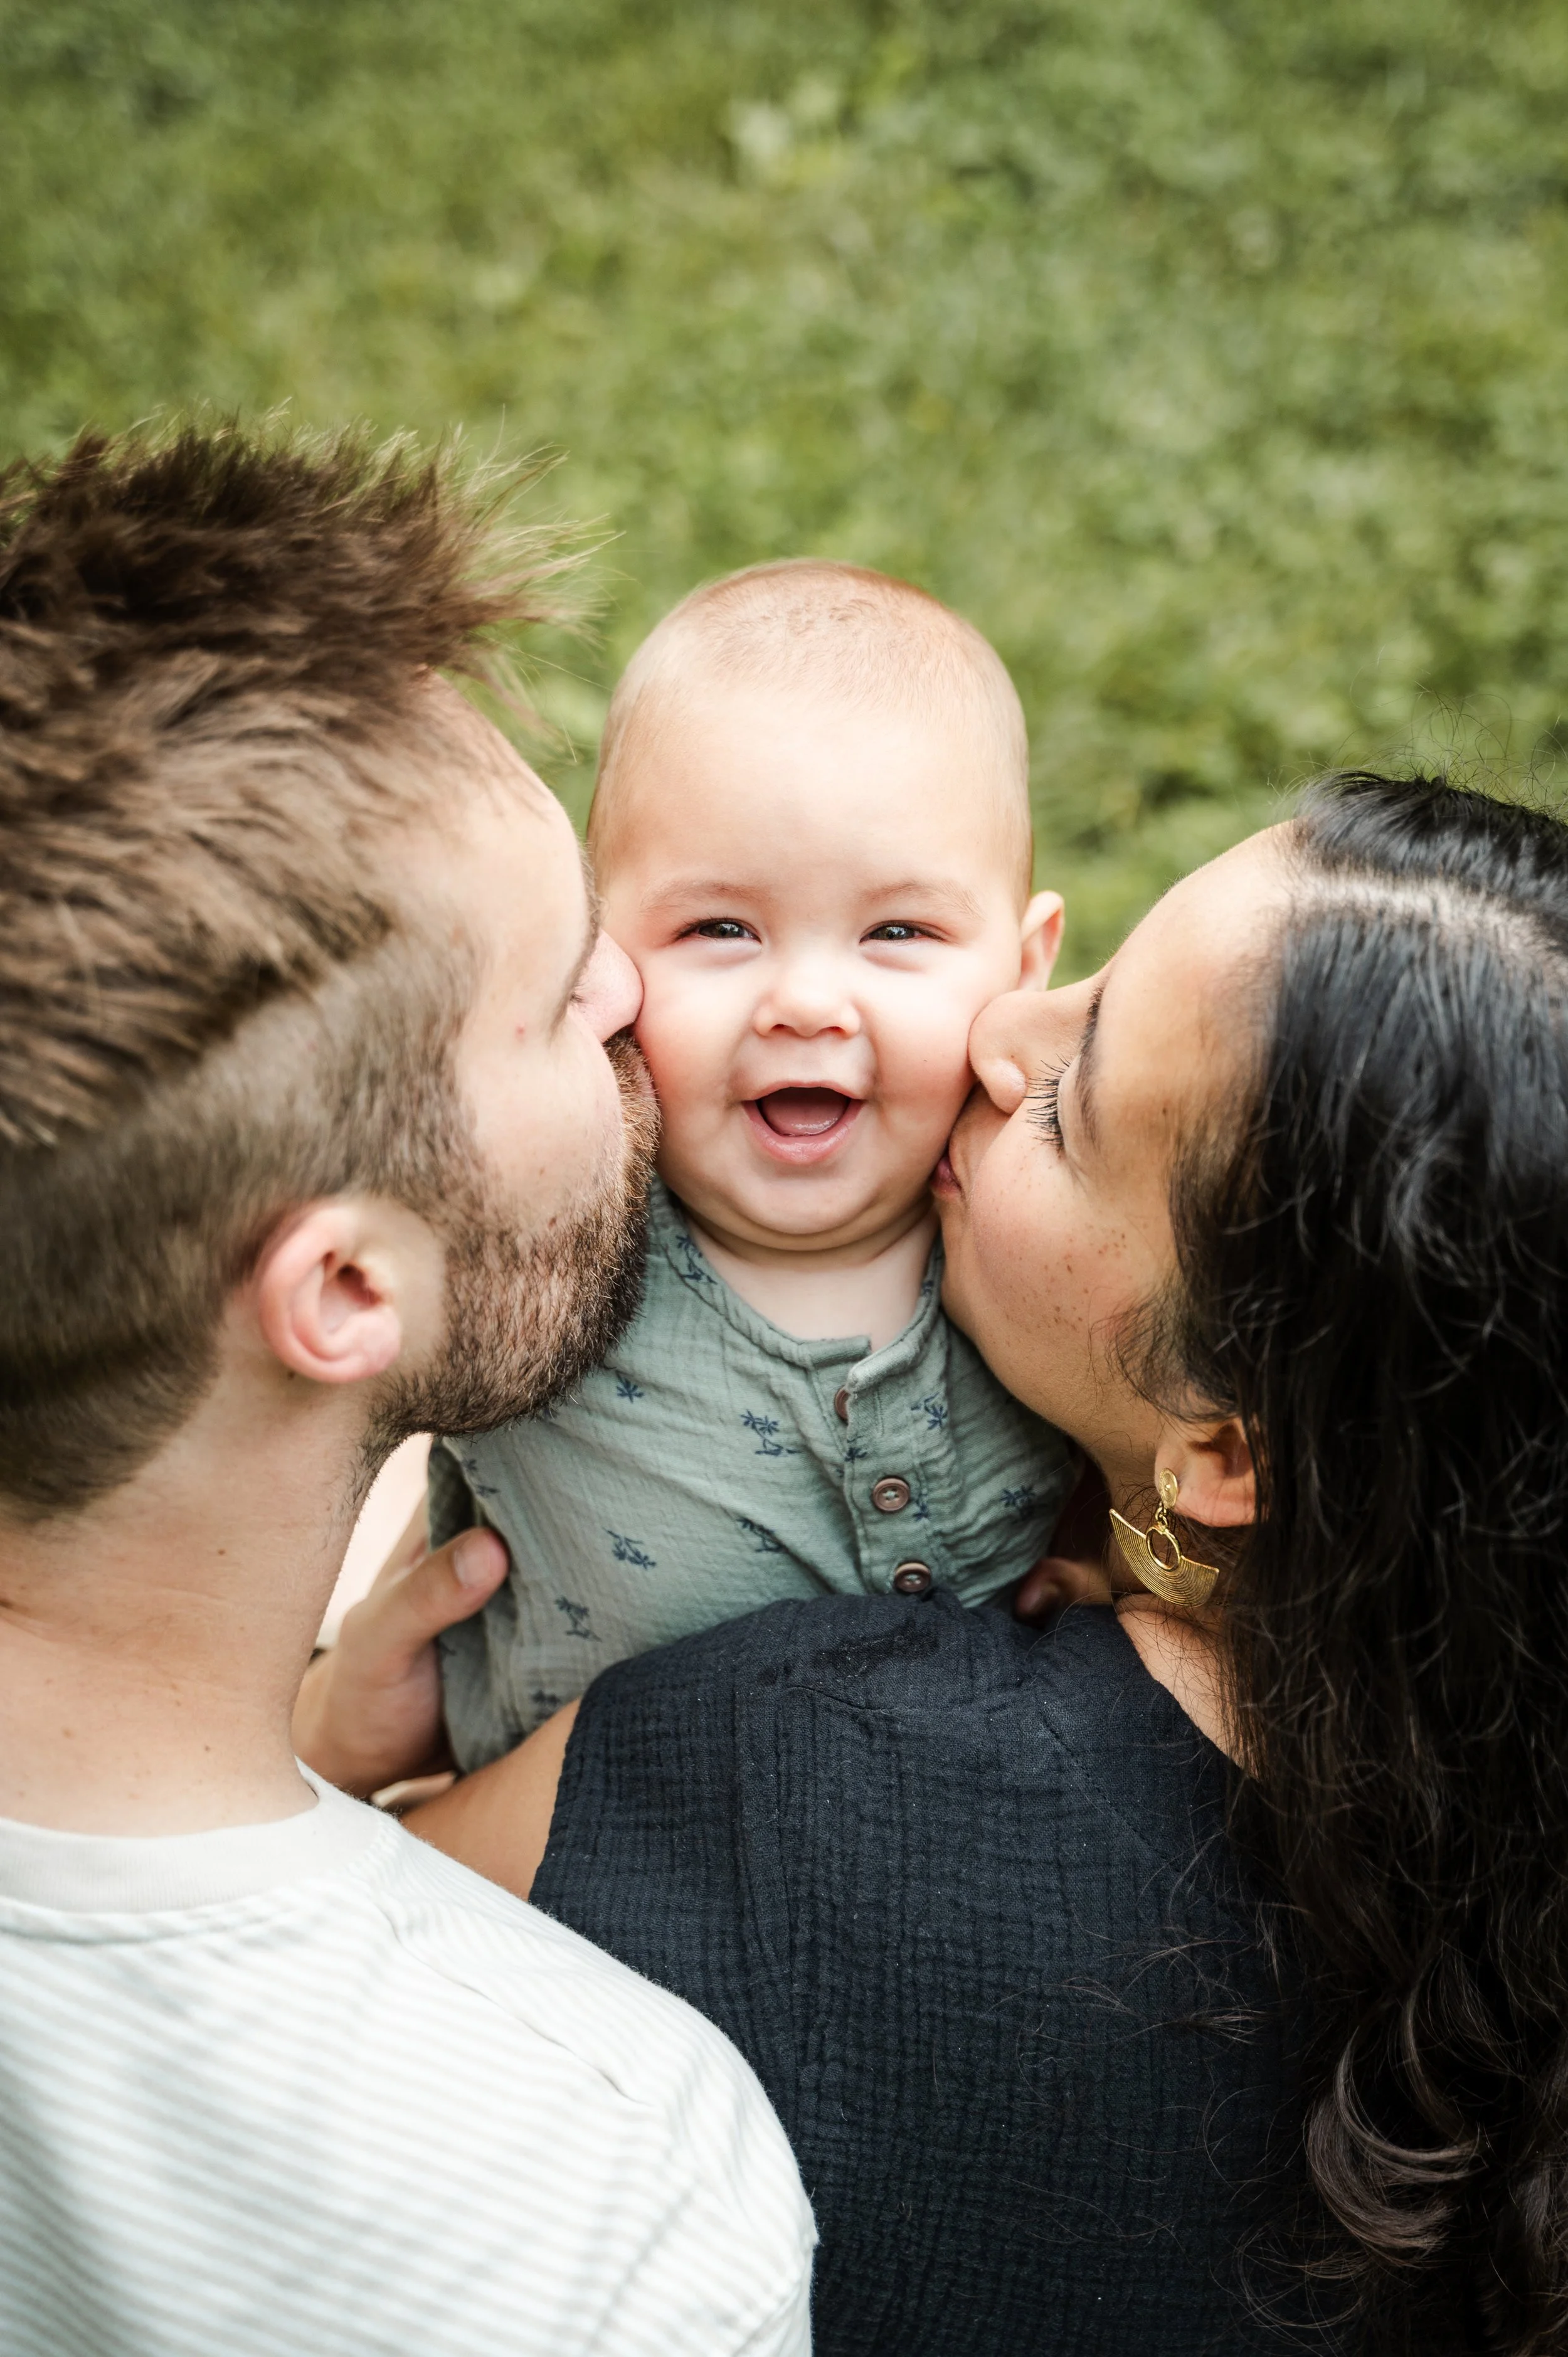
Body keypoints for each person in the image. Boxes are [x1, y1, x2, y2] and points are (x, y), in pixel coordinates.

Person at [313, 772, 1568, 2355]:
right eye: (1088, 972)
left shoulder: (802, 1758)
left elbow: (286, 1967)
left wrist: (318, 1751)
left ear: (1227, 1452)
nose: (996, 1034)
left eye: (1068, 1106)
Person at [0, 422, 814, 2356]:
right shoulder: (606, 2181)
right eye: (552, 998)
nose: (630, 996)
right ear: (346, 1288)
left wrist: (291, 1742)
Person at [433, 558, 1075, 1771]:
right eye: (720, 928)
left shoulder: (1050, 1235)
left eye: (900, 932)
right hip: (551, 1909)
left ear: (1024, 965)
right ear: (597, 942)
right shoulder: (543, 1239)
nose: (806, 1000)